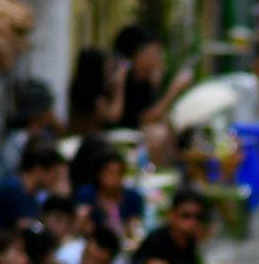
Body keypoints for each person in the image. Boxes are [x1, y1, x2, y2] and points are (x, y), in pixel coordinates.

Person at [113, 24, 194, 161]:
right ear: (139, 53)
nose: (159, 56)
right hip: (124, 133)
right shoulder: (124, 77)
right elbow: (145, 117)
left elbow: (158, 113)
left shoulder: (147, 79)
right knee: (158, 134)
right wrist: (174, 89)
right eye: (155, 51)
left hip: (138, 132)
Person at [71, 139, 148, 243]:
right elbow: (79, 226)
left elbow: (135, 228)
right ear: (98, 174)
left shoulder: (133, 196)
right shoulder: (86, 194)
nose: (114, 179)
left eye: (118, 173)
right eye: (109, 173)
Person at [0, 138, 67, 232]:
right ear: (38, 170)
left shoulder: (33, 195)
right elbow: (23, 226)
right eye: (54, 173)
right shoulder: (12, 189)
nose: (56, 179)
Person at [66, 46, 125, 139]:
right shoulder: (91, 96)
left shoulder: (81, 88)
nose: (109, 73)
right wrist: (120, 85)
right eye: (107, 68)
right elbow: (113, 115)